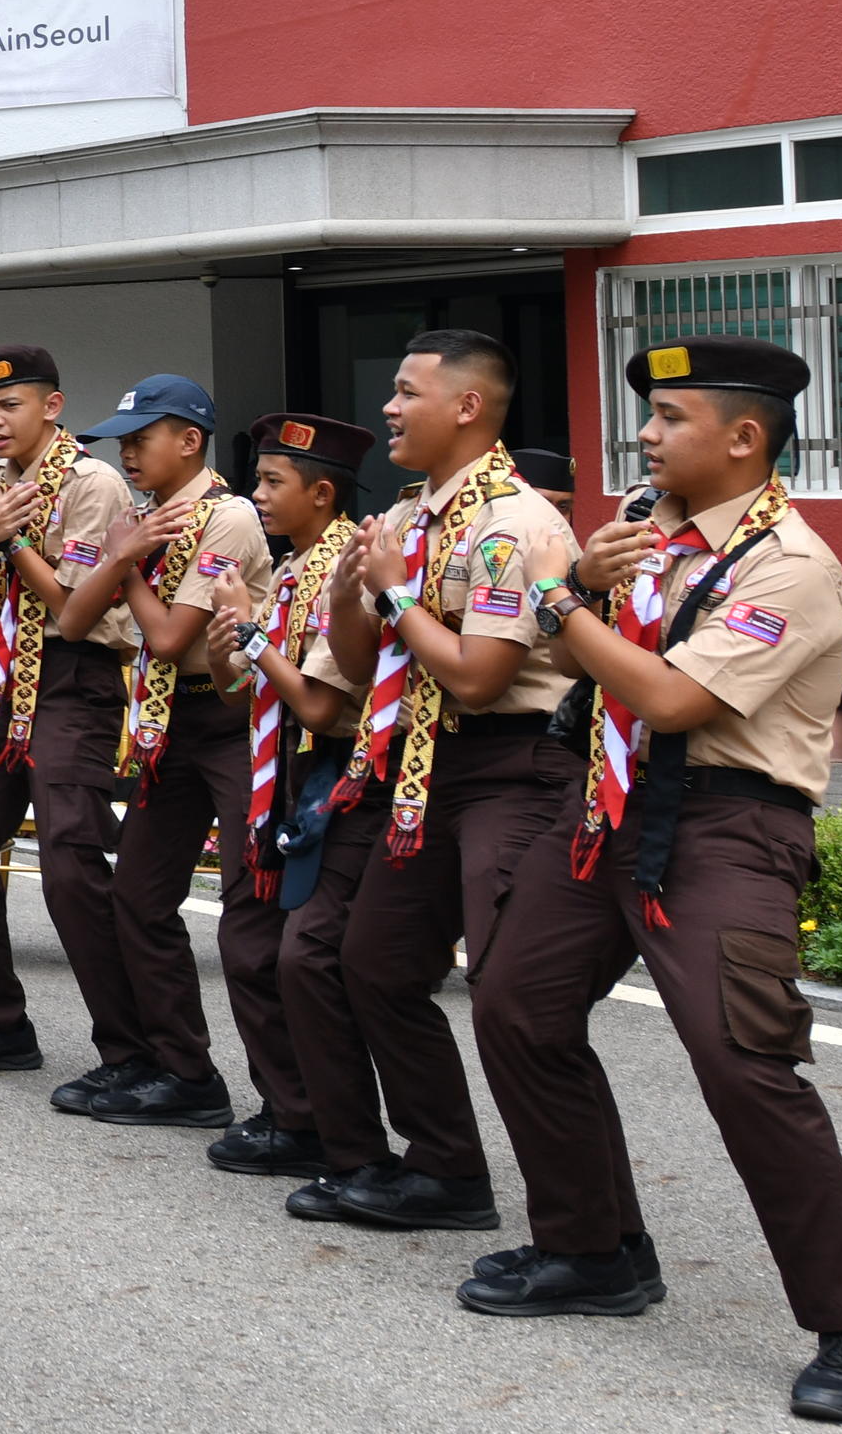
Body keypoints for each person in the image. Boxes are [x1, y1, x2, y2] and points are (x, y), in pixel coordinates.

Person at [465, 338, 842, 1425]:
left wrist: (563, 605)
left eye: (667, 420)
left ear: (741, 438)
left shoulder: (788, 566)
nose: (646, 438)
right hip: (606, 806)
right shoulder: (645, 540)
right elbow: (583, 662)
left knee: (742, 1063)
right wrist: (579, 589)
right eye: (649, 420)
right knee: (515, 1006)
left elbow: (667, 701)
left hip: (724, 827)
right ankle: (590, 1251)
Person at [278, 328, 577, 1238]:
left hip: (511, 765)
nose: (390, 408)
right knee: (372, 963)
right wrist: (346, 598)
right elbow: (368, 665)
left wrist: (397, 595)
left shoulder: (515, 524)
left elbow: (482, 676)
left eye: (408, 392)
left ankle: (580, 1226)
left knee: (509, 996)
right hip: (421, 761)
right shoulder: (406, 519)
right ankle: (445, 1168)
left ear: (468, 406)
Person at [56, 374, 271, 1129]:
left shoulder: (229, 518)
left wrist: (125, 565)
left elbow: (174, 637)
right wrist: (121, 558)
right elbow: (77, 620)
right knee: (138, 898)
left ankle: (294, 1106)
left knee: (253, 910)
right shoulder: (143, 519)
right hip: (165, 728)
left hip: (231, 722)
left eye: (141, 437)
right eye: (121, 440)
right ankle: (184, 1072)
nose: (128, 452)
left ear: (190, 439)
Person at [0, 348, 126, 1100]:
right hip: (12, 687)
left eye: (9, 405)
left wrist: (5, 532)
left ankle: (132, 1049)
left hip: (76, 681)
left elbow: (74, 609)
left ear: (53, 406)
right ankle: (1, 1022)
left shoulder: (93, 482)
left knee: (72, 868)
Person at [210, 413, 375, 1180]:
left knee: (300, 958)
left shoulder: (343, 568)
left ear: (323, 492)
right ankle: (289, 1110)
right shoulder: (290, 566)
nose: (260, 495)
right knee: (249, 945)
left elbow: (315, 704)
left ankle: (318, 1122)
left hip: (329, 773)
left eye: (275, 482)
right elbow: (241, 685)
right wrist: (233, 642)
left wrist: (250, 635)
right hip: (275, 776)